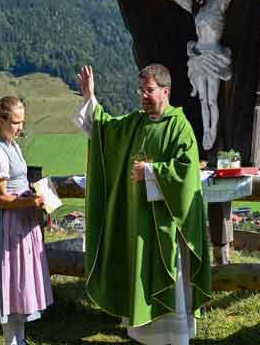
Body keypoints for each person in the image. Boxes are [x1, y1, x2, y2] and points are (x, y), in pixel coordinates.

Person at [74, 65, 211, 344]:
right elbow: (103, 129)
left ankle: (174, 338)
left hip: (165, 226)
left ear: (165, 91)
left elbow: (186, 172)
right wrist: (90, 96)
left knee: (168, 283)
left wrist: (151, 172)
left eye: (149, 90)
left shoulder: (179, 126)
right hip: (137, 222)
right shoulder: (135, 123)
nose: (143, 96)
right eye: (141, 91)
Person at [143, 0, 254, 151]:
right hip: (199, 55)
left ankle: (212, 131)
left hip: (213, 55)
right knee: (203, 99)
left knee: (212, 99)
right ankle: (206, 132)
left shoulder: (219, 4)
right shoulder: (197, 11)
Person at [0, 96, 53, 345]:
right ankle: (11, 341)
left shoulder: (12, 145)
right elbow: (1, 198)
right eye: (15, 122)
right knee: (12, 279)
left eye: (22, 122)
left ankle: (20, 340)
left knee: (22, 281)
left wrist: (39, 197)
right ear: (1, 121)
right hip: (12, 223)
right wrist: (30, 202)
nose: (20, 127)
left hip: (24, 222)